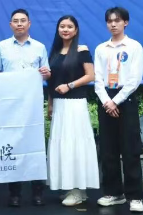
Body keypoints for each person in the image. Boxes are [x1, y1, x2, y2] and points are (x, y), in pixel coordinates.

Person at [0, 8, 51, 207]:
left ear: (29, 24)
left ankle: (38, 191)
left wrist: (46, 73)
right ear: (10, 25)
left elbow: (47, 74)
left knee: (35, 146)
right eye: (15, 21)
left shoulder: (39, 47)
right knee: (13, 146)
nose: (19, 24)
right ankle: (14, 193)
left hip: (32, 105)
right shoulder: (1, 47)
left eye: (23, 20)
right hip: (10, 105)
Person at [94, 7, 143, 213]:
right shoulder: (101, 49)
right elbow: (98, 79)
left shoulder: (134, 47)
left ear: (126, 22)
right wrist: (108, 102)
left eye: (117, 20)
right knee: (108, 149)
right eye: (109, 21)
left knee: (130, 149)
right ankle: (114, 193)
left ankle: (135, 196)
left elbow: (134, 80)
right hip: (106, 99)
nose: (113, 24)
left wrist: (116, 101)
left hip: (126, 98)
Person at [46, 15, 99, 206]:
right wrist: (50, 104)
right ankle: (71, 188)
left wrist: (70, 85)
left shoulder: (81, 50)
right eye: (62, 26)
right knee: (62, 145)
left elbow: (91, 75)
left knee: (75, 145)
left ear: (76, 30)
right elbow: (51, 82)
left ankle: (78, 190)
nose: (65, 29)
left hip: (75, 104)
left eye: (69, 26)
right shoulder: (54, 52)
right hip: (59, 105)